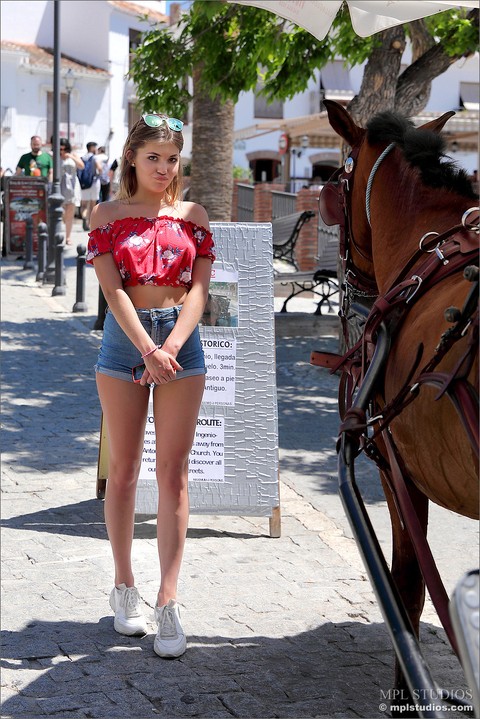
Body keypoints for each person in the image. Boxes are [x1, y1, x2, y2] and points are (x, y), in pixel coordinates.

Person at [86, 113, 215, 659]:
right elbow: (114, 293)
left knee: (174, 474)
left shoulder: (193, 215)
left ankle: (168, 600)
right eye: (153, 158)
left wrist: (173, 347)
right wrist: (148, 349)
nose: (163, 168)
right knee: (124, 471)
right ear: (132, 160)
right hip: (125, 341)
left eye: (171, 158)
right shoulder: (108, 214)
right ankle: (124, 587)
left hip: (182, 342)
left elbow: (200, 290)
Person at [59, 139, 84, 245]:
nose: (62, 150)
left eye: (64, 148)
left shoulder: (73, 154)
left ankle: (68, 237)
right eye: (60, 148)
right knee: (61, 212)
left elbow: (81, 166)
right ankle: (60, 231)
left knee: (70, 212)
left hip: (72, 186)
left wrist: (71, 157)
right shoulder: (54, 155)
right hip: (59, 185)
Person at [80, 142, 102, 230]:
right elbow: (99, 168)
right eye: (95, 148)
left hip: (84, 183)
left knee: (84, 205)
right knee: (93, 204)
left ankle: (84, 217)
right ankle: (90, 223)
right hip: (94, 182)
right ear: (92, 148)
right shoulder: (95, 157)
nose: (96, 149)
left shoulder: (82, 157)